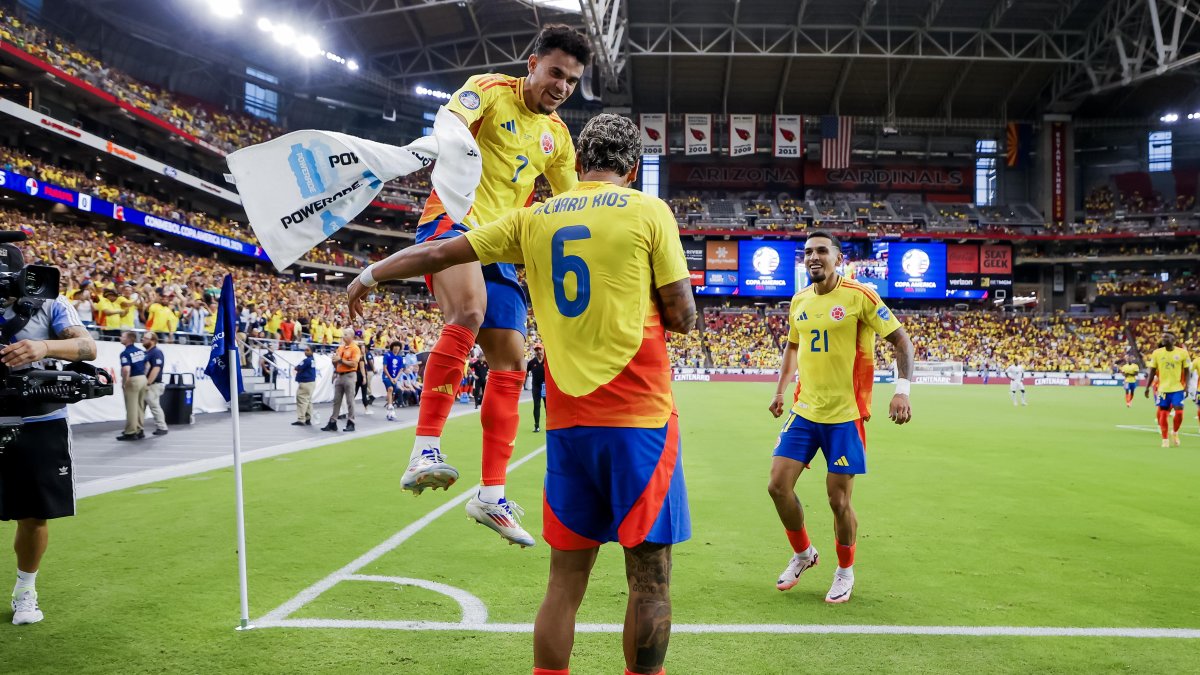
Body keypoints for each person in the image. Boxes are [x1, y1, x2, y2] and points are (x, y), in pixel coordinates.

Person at [347, 114, 696, 674]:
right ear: (632, 169)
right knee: (649, 578)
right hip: (640, 417)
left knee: (563, 583)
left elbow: (439, 253)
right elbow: (681, 316)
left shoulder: (532, 217)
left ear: (578, 164)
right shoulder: (648, 210)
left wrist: (368, 276)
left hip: (566, 422)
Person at [398, 25, 592, 543]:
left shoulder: (558, 137)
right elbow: (450, 119)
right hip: (451, 223)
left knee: (512, 357)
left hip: (501, 246)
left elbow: (571, 202)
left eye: (572, 81)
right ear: (532, 64)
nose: (562, 86)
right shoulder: (488, 91)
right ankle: (425, 449)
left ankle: (489, 496)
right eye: (556, 73)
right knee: (469, 312)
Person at [767, 230, 914, 605]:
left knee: (838, 501)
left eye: (821, 251)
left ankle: (845, 571)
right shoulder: (798, 300)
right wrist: (781, 390)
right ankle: (803, 554)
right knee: (778, 486)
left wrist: (902, 390)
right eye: (808, 252)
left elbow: (901, 341)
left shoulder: (860, 296)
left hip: (845, 415)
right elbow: (793, 346)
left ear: (837, 258)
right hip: (805, 410)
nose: (813, 257)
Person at [1, 264, 97, 626]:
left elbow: (87, 346)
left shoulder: (52, 304)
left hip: (40, 419)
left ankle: (25, 591)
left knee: (33, 513)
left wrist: (42, 346)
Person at [1144, 330, 1191, 447]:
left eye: (1166, 338)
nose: (1163, 339)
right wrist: (1147, 386)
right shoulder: (1157, 353)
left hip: (1178, 388)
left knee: (1179, 411)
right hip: (1162, 389)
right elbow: (1152, 371)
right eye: (1163, 338)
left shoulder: (1182, 353)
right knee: (1163, 413)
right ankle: (1165, 439)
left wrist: (1187, 386)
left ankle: (1174, 432)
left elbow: (1187, 371)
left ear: (1173, 340)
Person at [323, 327, 360, 433]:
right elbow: (337, 362)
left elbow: (354, 363)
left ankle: (351, 422)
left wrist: (341, 360)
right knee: (336, 400)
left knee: (350, 400)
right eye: (343, 334)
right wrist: (334, 362)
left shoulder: (355, 348)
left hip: (350, 375)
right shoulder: (340, 348)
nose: (343, 336)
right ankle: (333, 422)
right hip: (340, 374)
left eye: (346, 334)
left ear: (352, 336)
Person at [117, 330, 148, 441]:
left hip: (133, 379)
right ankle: (140, 429)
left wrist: (125, 382)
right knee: (140, 406)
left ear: (129, 339)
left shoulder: (125, 353)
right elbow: (147, 365)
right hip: (143, 378)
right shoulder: (141, 351)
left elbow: (126, 369)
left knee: (131, 408)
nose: (120, 337)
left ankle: (130, 432)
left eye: (123, 336)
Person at [141, 331, 168, 436]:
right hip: (148, 383)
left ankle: (162, 427)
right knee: (142, 407)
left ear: (153, 341)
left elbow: (156, 369)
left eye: (146, 338)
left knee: (154, 406)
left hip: (153, 384)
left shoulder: (156, 352)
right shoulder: (147, 352)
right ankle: (139, 428)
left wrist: (148, 382)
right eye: (143, 338)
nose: (143, 340)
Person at [292, 344, 317, 426]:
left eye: (307, 350)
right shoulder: (312, 360)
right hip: (311, 382)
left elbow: (298, 367)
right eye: (305, 350)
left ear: (312, 352)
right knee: (308, 401)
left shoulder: (307, 360)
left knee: (301, 400)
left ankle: (301, 419)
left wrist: (297, 368)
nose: (305, 351)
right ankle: (308, 418)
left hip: (305, 382)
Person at [382, 341, 405, 420]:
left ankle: (389, 412)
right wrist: (391, 378)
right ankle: (391, 407)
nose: (396, 348)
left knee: (392, 393)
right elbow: (385, 368)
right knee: (390, 389)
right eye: (395, 346)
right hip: (387, 377)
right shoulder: (387, 355)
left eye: (398, 347)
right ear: (392, 347)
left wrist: (396, 378)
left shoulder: (400, 358)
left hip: (395, 378)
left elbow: (401, 369)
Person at [527, 344, 547, 432]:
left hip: (546, 387)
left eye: (540, 349)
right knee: (536, 405)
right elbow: (525, 372)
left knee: (548, 406)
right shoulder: (531, 362)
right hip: (536, 387)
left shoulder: (548, 361)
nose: (538, 351)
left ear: (543, 350)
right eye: (536, 350)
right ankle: (537, 426)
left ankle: (550, 425)